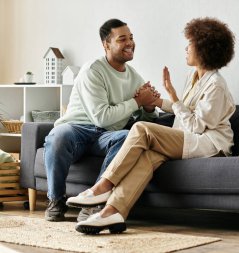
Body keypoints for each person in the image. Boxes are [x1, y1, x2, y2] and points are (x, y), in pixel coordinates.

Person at [66, 17, 236, 234]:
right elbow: (186, 112)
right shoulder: (193, 77)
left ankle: (103, 186)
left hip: (210, 144)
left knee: (141, 129)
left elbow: (196, 125)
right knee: (146, 158)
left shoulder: (216, 85)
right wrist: (158, 102)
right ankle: (112, 213)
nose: (186, 48)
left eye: (190, 44)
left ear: (203, 49)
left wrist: (174, 97)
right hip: (188, 138)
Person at [44, 18, 159, 222]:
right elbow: (102, 117)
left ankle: (94, 201)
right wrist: (137, 101)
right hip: (77, 129)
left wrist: (148, 107)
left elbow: (144, 119)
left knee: (127, 137)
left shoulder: (135, 78)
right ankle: (55, 200)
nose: (130, 43)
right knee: (58, 136)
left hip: (106, 136)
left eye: (131, 38)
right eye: (122, 39)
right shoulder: (92, 71)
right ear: (106, 44)